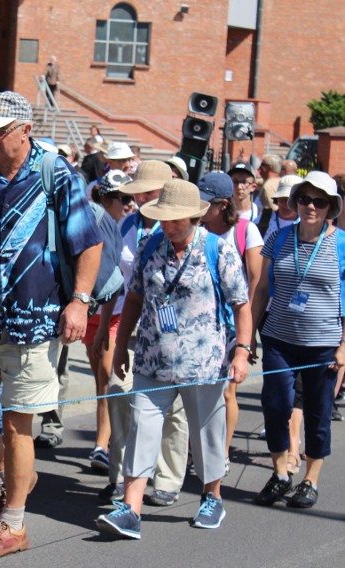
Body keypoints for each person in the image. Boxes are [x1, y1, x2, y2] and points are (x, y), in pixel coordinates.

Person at [0, 91, 103, 556]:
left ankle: (13, 523)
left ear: (25, 131)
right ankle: (19, 474)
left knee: (16, 422)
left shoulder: (56, 175)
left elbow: (88, 244)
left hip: (33, 322)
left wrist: (80, 302)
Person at [97, 179, 250, 539]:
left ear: (194, 217)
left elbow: (241, 304)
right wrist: (121, 347)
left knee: (206, 433)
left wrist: (241, 351)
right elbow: (134, 298)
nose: (169, 225)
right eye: (164, 218)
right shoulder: (151, 246)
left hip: (204, 364)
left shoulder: (217, 249)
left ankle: (211, 497)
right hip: (153, 359)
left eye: (176, 219)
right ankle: (131, 509)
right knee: (143, 430)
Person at [252, 171, 345, 509]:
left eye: (319, 201)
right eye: (304, 199)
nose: (310, 206)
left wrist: (344, 347)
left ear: (330, 207)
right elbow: (262, 289)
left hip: (323, 343)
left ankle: (311, 479)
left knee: (318, 413)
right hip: (278, 337)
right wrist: (247, 336)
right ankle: (280, 474)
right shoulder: (277, 237)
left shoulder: (342, 244)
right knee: (275, 406)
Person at [110, 160, 189, 507]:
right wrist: (104, 334)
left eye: (149, 192)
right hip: (127, 323)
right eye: (138, 191)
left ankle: (168, 478)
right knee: (119, 395)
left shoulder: (182, 227)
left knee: (172, 410)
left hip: (169, 329)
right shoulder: (127, 223)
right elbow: (116, 279)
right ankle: (124, 477)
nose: (141, 198)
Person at [198, 172, 263, 474]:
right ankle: (195, 450)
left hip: (231, 324)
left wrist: (246, 334)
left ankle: (222, 452)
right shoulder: (195, 228)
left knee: (227, 392)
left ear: (222, 205)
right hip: (201, 325)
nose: (200, 207)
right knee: (198, 391)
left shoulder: (245, 231)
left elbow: (255, 281)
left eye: (206, 202)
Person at [83, 171, 130, 473]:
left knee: (109, 377)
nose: (129, 204)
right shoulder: (93, 221)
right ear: (107, 198)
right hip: (90, 312)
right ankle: (106, 442)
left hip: (116, 314)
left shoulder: (133, 225)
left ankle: (104, 444)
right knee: (100, 381)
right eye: (124, 199)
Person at [263, 174, 302, 241]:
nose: (286, 204)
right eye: (283, 199)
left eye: (291, 200)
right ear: (277, 200)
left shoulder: (307, 226)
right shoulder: (262, 220)